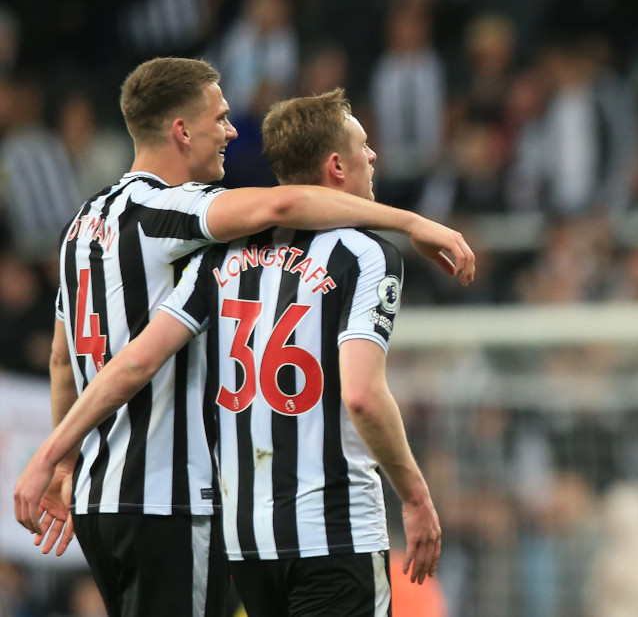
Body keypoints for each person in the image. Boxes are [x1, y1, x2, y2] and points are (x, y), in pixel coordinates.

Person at [25, 57, 472, 617]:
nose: (232, 132)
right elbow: (283, 204)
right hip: (186, 501)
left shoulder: (89, 224)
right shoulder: (184, 216)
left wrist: (62, 459)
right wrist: (411, 222)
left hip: (117, 501)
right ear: (182, 130)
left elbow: (64, 362)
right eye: (222, 118)